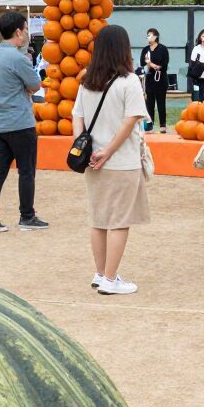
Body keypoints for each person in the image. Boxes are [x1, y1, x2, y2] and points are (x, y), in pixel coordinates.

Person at [73, 24, 150, 295]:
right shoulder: (129, 81)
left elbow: (77, 115)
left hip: (92, 160)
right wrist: (108, 151)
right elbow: (130, 122)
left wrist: (83, 144)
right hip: (120, 160)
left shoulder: (86, 79)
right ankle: (110, 278)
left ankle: (100, 273)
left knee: (99, 220)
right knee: (118, 221)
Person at [0, 11, 48, 235]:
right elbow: (36, 84)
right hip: (20, 122)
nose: (27, 32)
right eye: (26, 29)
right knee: (26, 171)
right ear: (18, 32)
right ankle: (27, 216)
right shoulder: (18, 58)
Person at [140, 27, 170, 132]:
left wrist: (151, 64)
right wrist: (148, 65)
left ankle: (163, 125)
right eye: (147, 35)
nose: (148, 37)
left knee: (161, 103)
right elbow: (142, 64)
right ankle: (150, 125)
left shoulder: (163, 49)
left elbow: (164, 65)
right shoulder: (145, 50)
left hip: (160, 79)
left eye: (150, 35)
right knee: (150, 103)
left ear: (156, 36)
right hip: (149, 79)